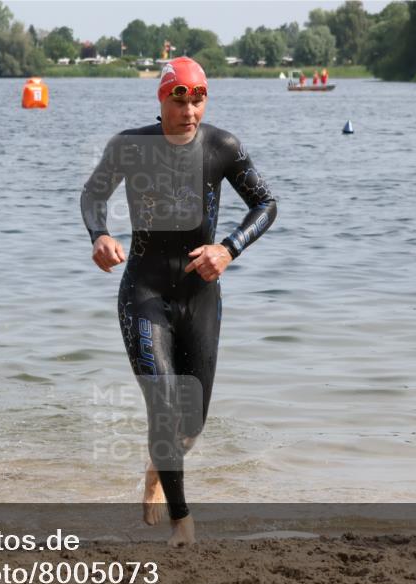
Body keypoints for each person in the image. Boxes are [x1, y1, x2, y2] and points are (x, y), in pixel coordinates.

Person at [81, 57, 277, 547]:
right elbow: (92, 195)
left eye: (198, 98)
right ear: (162, 98)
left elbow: (266, 203)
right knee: (165, 406)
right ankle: (182, 522)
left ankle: (158, 465)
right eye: (178, 98)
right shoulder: (130, 146)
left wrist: (227, 249)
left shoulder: (221, 147)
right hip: (143, 293)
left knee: (191, 424)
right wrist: (99, 235)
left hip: (200, 296)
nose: (189, 109)